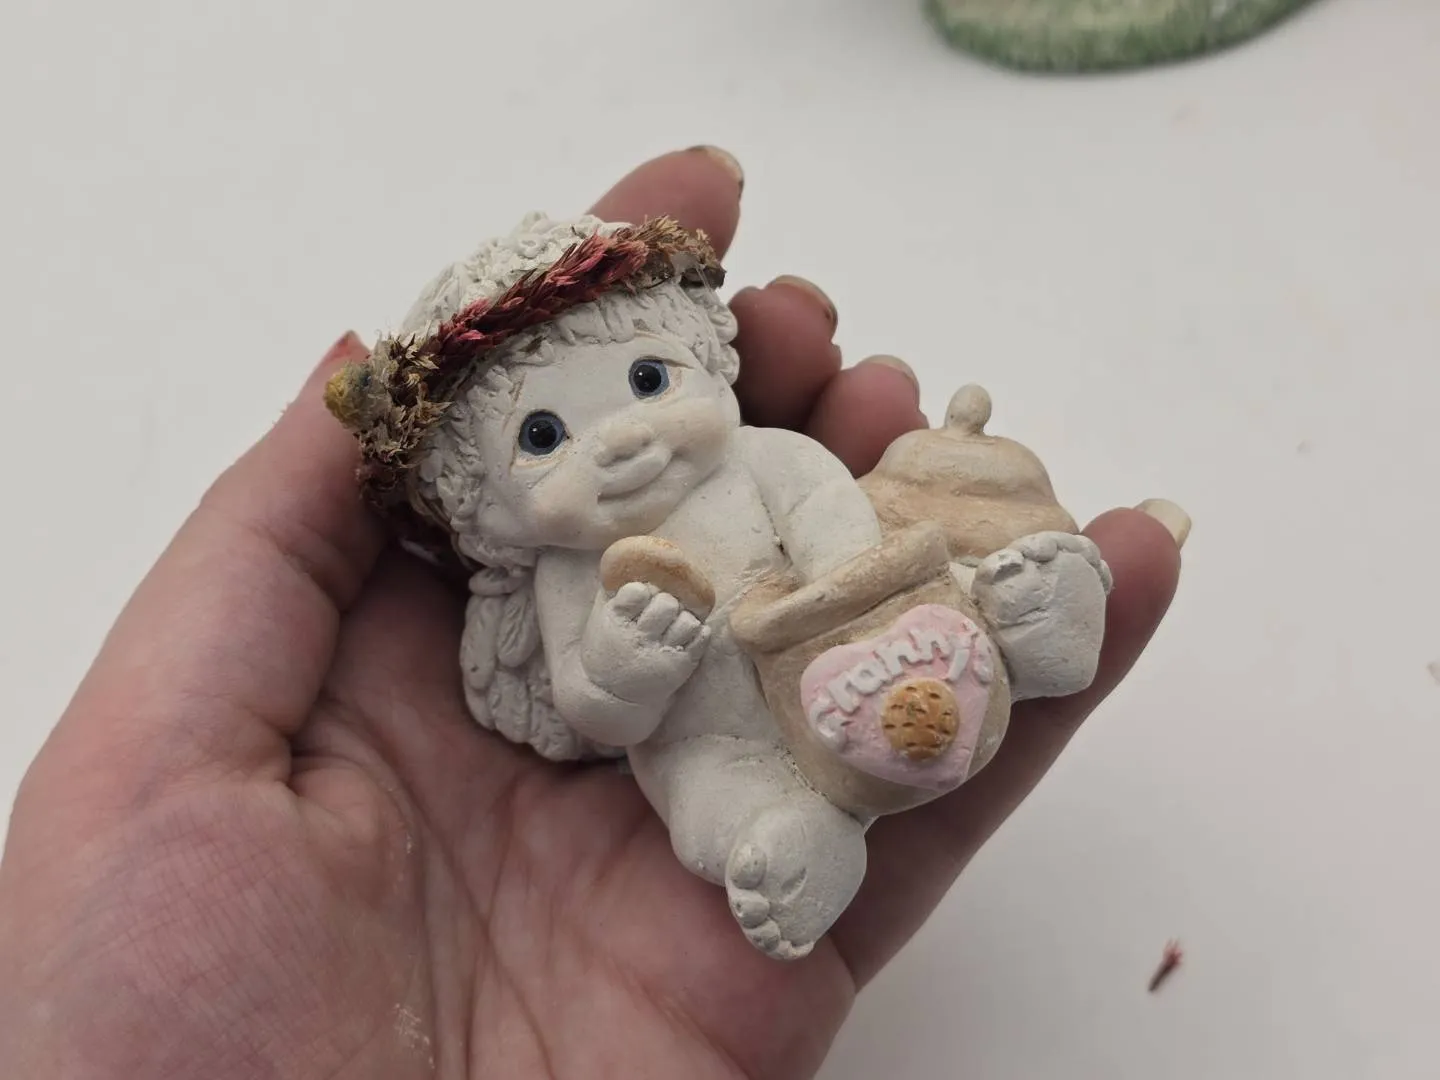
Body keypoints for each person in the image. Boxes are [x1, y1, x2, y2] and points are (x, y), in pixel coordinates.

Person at [0, 147, 1182, 1079]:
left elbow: (839, 523)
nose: (618, 443)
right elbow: (594, 707)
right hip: (712, 738)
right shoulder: (573, 577)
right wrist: (627, 664)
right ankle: (789, 846)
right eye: (543, 437)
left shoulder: (767, 460)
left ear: (709, 362)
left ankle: (1033, 630)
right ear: (487, 508)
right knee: (706, 800)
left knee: (940, 606)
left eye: (648, 381)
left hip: (860, 640)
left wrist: (848, 607)